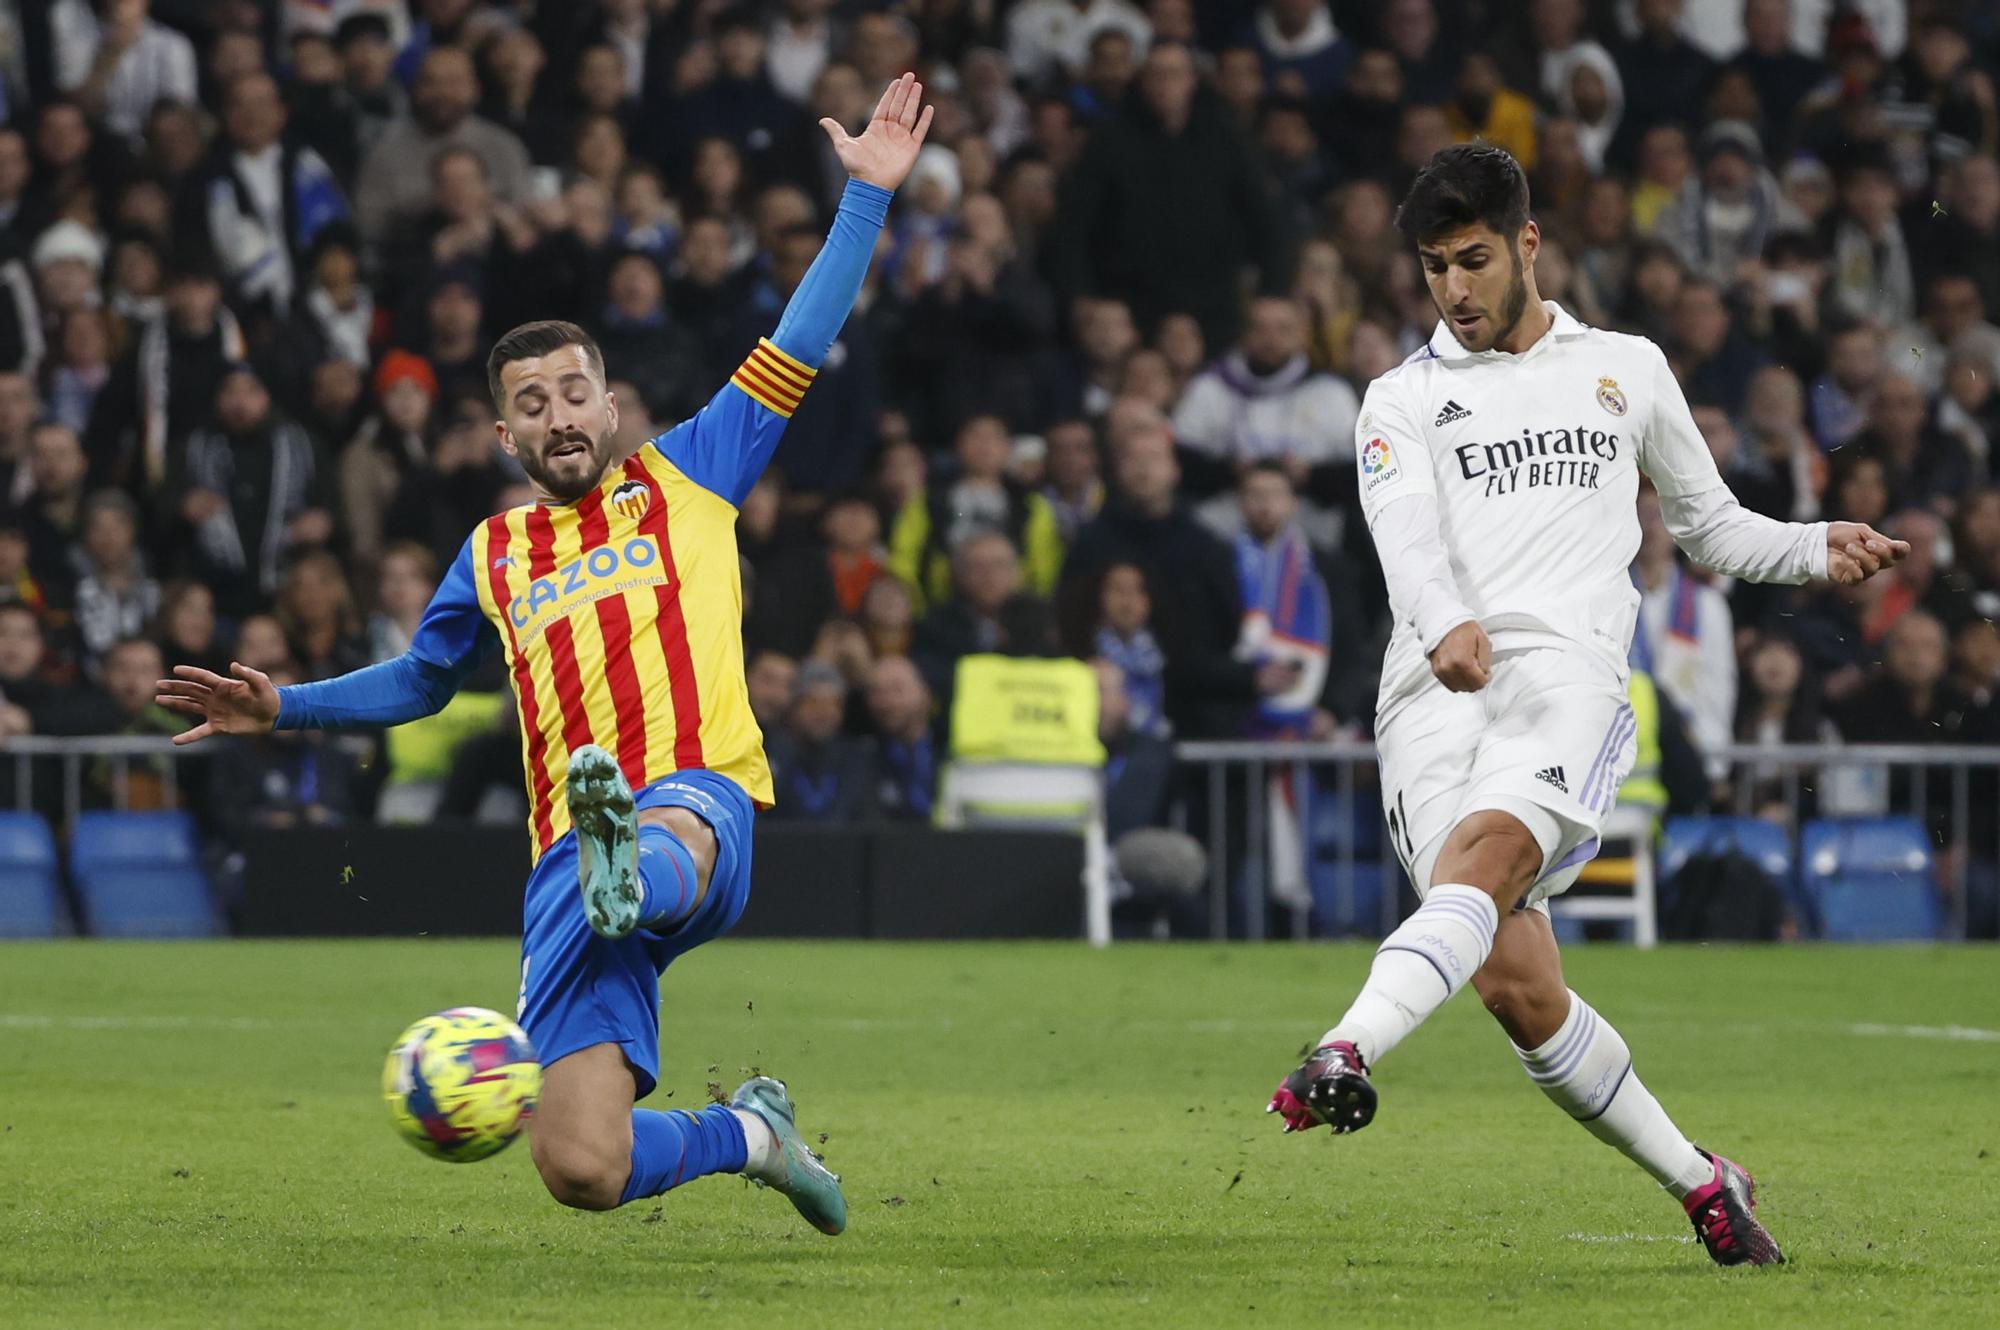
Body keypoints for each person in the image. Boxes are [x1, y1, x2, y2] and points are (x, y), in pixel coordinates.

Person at [157, 70, 936, 1234]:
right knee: (583, 1166)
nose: (560, 414)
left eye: (576, 391)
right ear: (505, 431)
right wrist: (290, 708)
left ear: (612, 406)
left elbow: (801, 334)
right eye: (533, 402)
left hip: (696, 803)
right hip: (560, 875)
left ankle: (628, 860)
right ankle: (753, 1133)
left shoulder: (694, 472)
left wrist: (865, 198)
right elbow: (424, 681)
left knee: (650, 834)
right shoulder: (493, 550)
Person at [1267, 144, 1908, 1268]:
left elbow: (1706, 525)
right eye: (1431, 269)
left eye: (1472, 261)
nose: (1454, 292)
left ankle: (1339, 1050)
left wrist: (1812, 544)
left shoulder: (1623, 367)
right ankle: (1705, 1183)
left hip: (1563, 675)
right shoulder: (1399, 396)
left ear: (1525, 244)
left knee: (1483, 856)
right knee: (1515, 988)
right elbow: (1402, 538)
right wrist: (1439, 623)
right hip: (1427, 687)